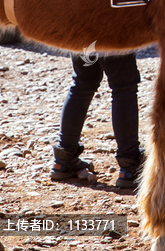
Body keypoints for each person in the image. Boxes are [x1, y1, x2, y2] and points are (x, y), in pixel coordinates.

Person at [51, 52, 144, 189]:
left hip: (80, 31)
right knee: (123, 84)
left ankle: (63, 159)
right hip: (111, 32)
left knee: (83, 81)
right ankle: (129, 165)